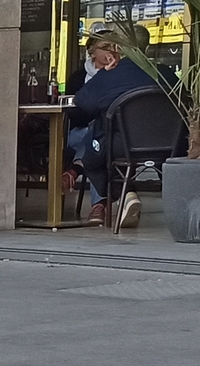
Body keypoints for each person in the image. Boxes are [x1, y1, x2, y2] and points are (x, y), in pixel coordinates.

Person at [67, 29, 160, 227]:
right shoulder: (165, 73)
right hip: (167, 145)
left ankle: (122, 194)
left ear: (120, 48)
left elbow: (83, 102)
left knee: (96, 151)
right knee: (95, 137)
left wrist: (104, 77)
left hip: (121, 145)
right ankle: (126, 195)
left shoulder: (111, 75)